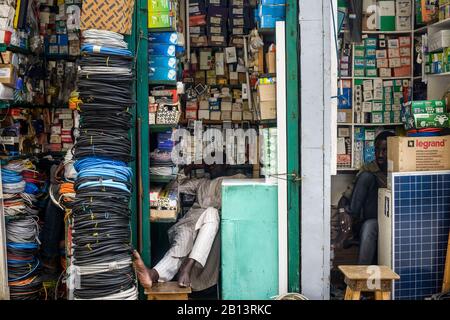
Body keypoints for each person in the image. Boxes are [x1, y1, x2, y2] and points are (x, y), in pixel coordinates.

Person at [133, 162, 246, 292]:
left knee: (212, 212)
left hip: (211, 230)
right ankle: (153, 275)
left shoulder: (235, 179)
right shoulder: (201, 183)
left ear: (225, 165)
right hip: (190, 223)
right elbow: (173, 187)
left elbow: (250, 188)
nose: (212, 165)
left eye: (216, 162)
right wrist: (191, 167)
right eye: (210, 163)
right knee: (183, 240)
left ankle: (187, 267)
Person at [335, 131, 396, 265]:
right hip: (373, 218)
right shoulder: (369, 168)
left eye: (385, 150)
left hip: (396, 221)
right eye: (377, 150)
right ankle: (361, 280)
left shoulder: (400, 169)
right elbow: (346, 197)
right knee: (366, 177)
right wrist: (343, 213)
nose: (380, 154)